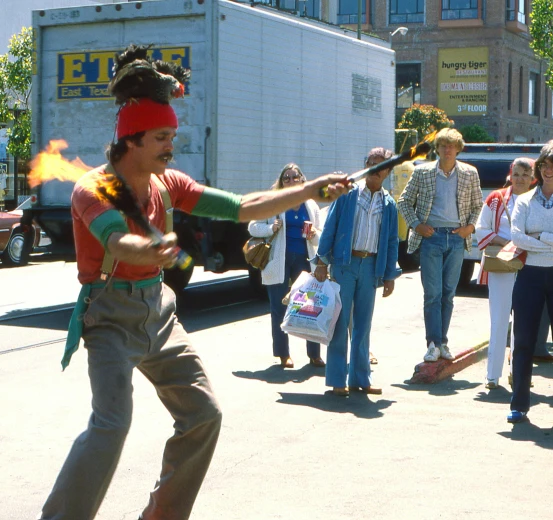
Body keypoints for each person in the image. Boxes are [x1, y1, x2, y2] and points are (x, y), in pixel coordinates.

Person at [38, 44, 350, 520]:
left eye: (172, 136)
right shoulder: (92, 189)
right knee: (111, 425)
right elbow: (118, 243)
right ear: (132, 139)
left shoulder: (169, 183)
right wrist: (153, 249)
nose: (171, 145)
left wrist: (308, 190)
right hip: (110, 319)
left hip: (159, 314)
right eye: (162, 137)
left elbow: (242, 207)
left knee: (204, 416)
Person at [314, 147, 401, 396]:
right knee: (340, 323)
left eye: (381, 166)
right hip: (345, 264)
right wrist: (321, 261)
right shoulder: (348, 195)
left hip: (371, 267)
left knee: (363, 324)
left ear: (387, 172)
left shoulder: (389, 203)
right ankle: (337, 380)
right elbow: (330, 227)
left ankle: (361, 378)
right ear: (366, 166)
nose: (375, 170)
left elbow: (392, 241)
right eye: (371, 164)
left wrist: (389, 275)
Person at [397, 128, 482, 363]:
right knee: (432, 294)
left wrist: (470, 228)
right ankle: (433, 343)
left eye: (451, 145)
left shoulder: (469, 173)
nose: (447, 150)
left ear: (458, 148)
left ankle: (443, 341)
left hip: (456, 237)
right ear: (437, 148)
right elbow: (403, 201)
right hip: (431, 237)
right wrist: (416, 224)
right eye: (443, 145)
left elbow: (478, 205)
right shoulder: (423, 172)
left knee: (448, 294)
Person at [248, 164, 324, 369]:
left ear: (302, 179)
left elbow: (321, 234)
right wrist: (270, 228)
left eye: (294, 177)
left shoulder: (310, 204)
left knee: (309, 307)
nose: (291, 181)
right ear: (281, 182)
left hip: (304, 259)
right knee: (279, 308)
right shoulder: (275, 202)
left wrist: (313, 234)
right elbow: (252, 225)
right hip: (278, 261)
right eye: (286, 178)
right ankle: (283, 354)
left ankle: (314, 355)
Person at [475, 158, 535, 389]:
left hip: (530, 266)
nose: (520, 179)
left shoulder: (539, 201)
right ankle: (492, 376)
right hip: (501, 265)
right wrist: (507, 242)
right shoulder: (495, 199)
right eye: (516, 174)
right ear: (510, 174)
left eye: (525, 175)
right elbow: (482, 229)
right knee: (499, 319)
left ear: (533, 178)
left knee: (523, 324)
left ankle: (518, 375)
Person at [506, 141, 553, 423]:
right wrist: (548, 239)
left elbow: (527, 238)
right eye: (546, 165)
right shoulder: (524, 201)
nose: (550, 171)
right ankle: (519, 404)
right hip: (529, 276)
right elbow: (515, 237)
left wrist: (537, 238)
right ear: (540, 167)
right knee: (522, 341)